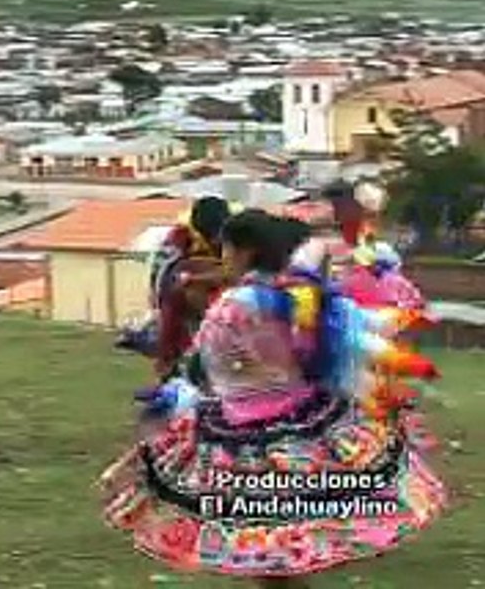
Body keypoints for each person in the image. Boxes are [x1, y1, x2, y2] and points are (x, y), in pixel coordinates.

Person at [100, 209, 446, 588]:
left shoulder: (233, 306)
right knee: (288, 539)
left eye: (227, 252)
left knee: (267, 544)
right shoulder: (301, 295)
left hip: (245, 436)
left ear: (245, 253)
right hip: (310, 424)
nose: (223, 260)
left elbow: (203, 369)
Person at [148, 196, 232, 379]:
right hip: (181, 306)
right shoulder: (177, 240)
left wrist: (200, 278)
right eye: (212, 235)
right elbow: (162, 281)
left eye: (220, 235)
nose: (217, 241)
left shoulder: (235, 235)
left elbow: (235, 271)